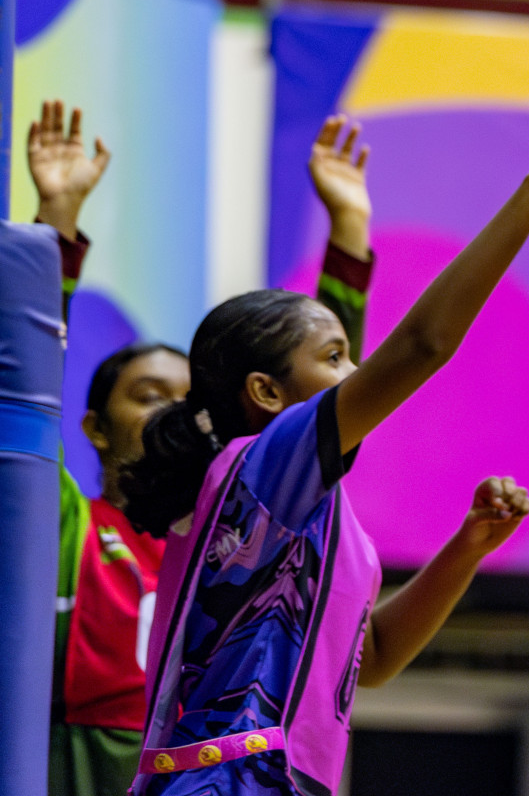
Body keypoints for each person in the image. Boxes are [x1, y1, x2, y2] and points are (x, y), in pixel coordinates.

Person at [121, 69, 529, 796]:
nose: (355, 371)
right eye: (334, 359)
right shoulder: (258, 467)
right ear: (265, 393)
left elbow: (375, 655)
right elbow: (422, 346)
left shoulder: (315, 513)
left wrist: (465, 548)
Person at [36, 103, 381, 796]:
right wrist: (56, 230)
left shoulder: (257, 526)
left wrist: (348, 229)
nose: (172, 408)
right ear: (96, 428)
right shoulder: (75, 530)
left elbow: (324, 392)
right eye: (145, 394)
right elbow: (22, 399)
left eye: (185, 393)